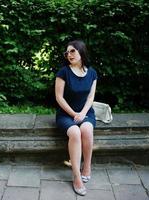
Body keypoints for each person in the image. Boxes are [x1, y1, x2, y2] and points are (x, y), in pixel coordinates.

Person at [55, 40, 97, 196]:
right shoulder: (63, 72)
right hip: (66, 114)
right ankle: (76, 176)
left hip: (86, 112)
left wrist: (83, 113)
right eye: (67, 52)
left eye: (72, 51)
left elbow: (91, 97)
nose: (69, 55)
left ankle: (87, 166)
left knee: (86, 128)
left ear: (81, 52)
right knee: (74, 132)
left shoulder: (92, 73)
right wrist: (74, 114)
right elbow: (59, 98)